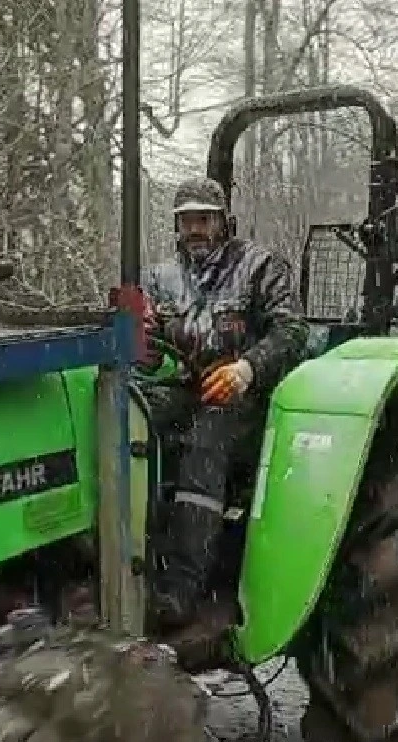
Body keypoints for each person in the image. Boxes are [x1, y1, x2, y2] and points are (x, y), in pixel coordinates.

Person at [140, 177, 309, 645]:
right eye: (185, 220)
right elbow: (150, 354)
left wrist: (247, 369)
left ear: (223, 221)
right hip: (186, 385)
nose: (194, 228)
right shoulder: (160, 277)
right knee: (129, 417)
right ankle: (122, 557)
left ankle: (181, 588)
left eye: (203, 218)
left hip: (246, 396)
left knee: (203, 444)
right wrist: (142, 341)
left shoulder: (260, 267)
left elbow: (292, 331)